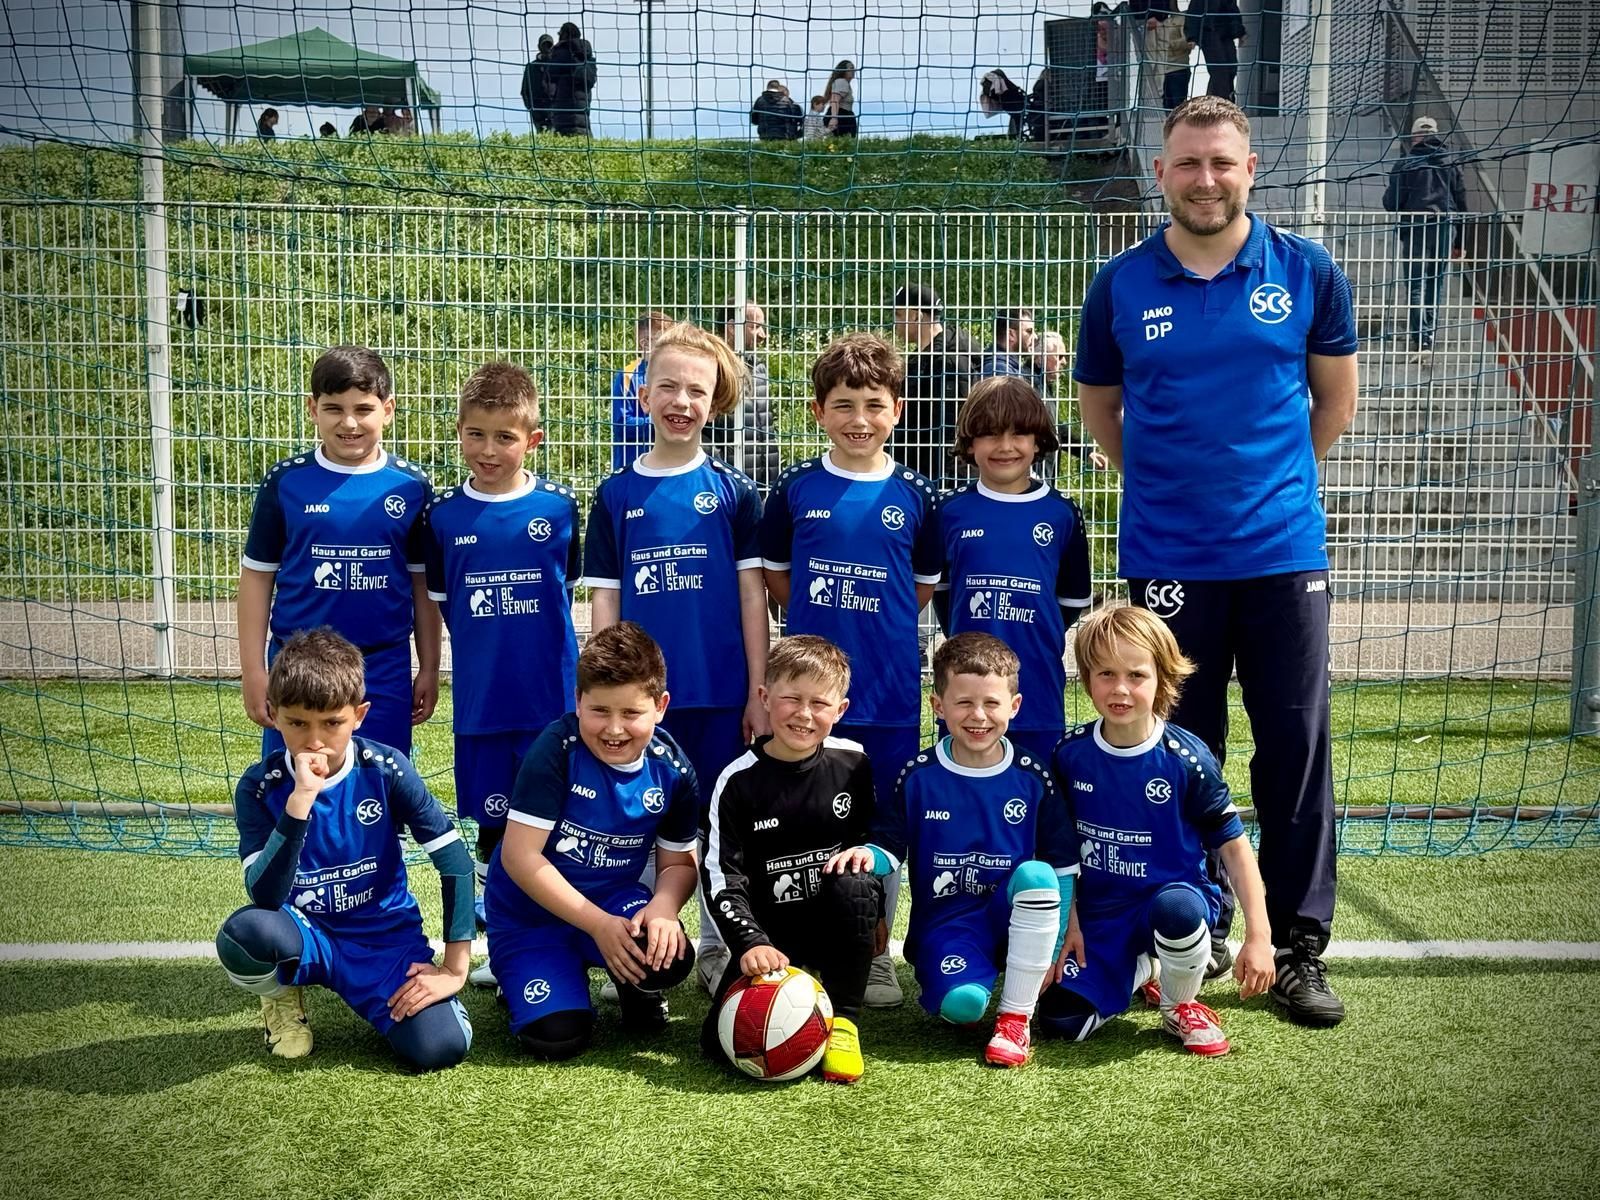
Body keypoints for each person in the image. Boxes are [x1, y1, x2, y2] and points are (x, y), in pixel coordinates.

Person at [1074, 96, 1359, 1026]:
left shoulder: (1307, 270)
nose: (1206, 180)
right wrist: (1169, 487)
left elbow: (1334, 403)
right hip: (1169, 555)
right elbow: (1101, 410)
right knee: (1176, 750)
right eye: (1189, 163)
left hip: (1282, 553)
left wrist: (1269, 489)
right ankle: (1191, 933)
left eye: (1222, 163)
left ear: (1250, 169)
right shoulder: (1120, 284)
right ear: (1161, 173)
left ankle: (1299, 945)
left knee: (1295, 749)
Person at [583, 322, 770, 994]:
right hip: (639, 704)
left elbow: (751, 597)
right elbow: (605, 602)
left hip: (719, 694)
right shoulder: (615, 495)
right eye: (667, 386)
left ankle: (722, 948)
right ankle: (634, 950)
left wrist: (757, 689)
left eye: (697, 390)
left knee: (719, 828)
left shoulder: (734, 492)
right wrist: (602, 692)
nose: (681, 401)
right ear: (642, 393)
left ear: (716, 402)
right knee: (634, 820)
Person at [760, 332, 943, 1009]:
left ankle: (875, 950)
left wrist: (876, 623)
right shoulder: (795, 489)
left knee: (879, 826)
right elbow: (779, 580)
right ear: (818, 411)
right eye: (843, 405)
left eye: (873, 404)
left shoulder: (918, 495)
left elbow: (918, 587)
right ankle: (798, 939)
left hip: (888, 694)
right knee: (803, 821)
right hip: (807, 699)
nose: (858, 419)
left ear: (897, 409)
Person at [214, 627, 474, 1071]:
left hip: (382, 939)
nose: (314, 740)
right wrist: (300, 800)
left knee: (440, 1047)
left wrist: (454, 968)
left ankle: (388, 992)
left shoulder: (387, 769)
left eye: (331, 723)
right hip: (306, 932)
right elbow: (264, 895)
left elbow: (455, 862)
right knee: (246, 936)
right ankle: (280, 995)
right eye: (297, 723)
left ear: (359, 715)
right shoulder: (260, 786)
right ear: (274, 714)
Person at [829, 633, 1074, 1067]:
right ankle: (969, 979)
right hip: (948, 926)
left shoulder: (1032, 775)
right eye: (964, 703)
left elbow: (1062, 866)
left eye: (992, 703)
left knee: (1036, 874)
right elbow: (889, 845)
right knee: (964, 1007)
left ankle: (1015, 1019)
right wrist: (868, 855)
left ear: (1014, 706)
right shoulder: (918, 775)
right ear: (938, 706)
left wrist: (1053, 951)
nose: (978, 716)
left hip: (1015, 915)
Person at [1042, 605, 1276, 1055]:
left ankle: (1179, 1003)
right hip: (1100, 914)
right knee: (1061, 1020)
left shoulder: (1187, 759)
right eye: (1106, 674)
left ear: (1162, 678)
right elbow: (1059, 850)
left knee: (1176, 911)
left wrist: (1259, 937)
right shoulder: (1069, 755)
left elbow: (1234, 847)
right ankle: (1143, 968)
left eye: (1136, 675)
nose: (1120, 689)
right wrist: (1067, 926)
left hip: (1172, 900)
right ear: (1087, 678)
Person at [420, 362, 580, 989]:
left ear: (532, 440)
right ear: (459, 432)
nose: (489, 450)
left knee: (557, 823)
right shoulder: (442, 517)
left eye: (505, 437)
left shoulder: (559, 509)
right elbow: (440, 604)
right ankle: (501, 936)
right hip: (482, 707)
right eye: (476, 435)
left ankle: (562, 933)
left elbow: (566, 588)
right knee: (493, 829)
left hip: (551, 704)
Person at [484, 622, 700, 1059]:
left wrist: (663, 907)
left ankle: (634, 984)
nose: (614, 729)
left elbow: (679, 863)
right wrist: (597, 925)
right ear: (578, 700)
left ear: (660, 707)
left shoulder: (674, 770)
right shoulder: (556, 750)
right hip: (532, 916)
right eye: (600, 710)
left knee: (670, 955)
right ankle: (527, 972)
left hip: (613, 903)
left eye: (631, 713)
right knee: (556, 1036)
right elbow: (520, 857)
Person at [238, 345, 439, 762]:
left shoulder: (411, 486)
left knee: (381, 781)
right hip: (297, 667)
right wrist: (254, 670)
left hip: (382, 666)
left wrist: (430, 667)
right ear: (313, 409)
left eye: (363, 409)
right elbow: (257, 576)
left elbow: (423, 585)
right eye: (334, 409)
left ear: (388, 410)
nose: (349, 423)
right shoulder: (286, 482)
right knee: (297, 784)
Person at [699, 635, 883, 1083]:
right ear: (765, 697)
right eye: (791, 699)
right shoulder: (737, 781)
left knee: (857, 879)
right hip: (770, 937)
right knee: (718, 1045)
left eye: (819, 703)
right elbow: (722, 879)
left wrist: (873, 915)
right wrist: (750, 944)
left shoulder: (854, 763)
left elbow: (869, 842)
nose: (804, 714)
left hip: (832, 925)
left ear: (840, 710)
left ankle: (845, 1023)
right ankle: (775, 975)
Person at [936, 377, 1092, 761]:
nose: (1005, 446)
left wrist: (1031, 628)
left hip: (1037, 690)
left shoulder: (1062, 513)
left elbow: (1072, 601)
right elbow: (941, 594)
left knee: (1036, 788)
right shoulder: (948, 512)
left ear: (1038, 441)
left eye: (1019, 433)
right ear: (970, 443)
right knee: (964, 785)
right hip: (967, 696)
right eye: (990, 434)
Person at [1382, 115, 1468, 360]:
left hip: (1416, 225)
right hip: (1445, 225)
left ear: (1415, 136)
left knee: (1416, 283)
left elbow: (1391, 202)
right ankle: (1428, 337)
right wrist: (1461, 242)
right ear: (1436, 135)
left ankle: (1420, 339)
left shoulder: (1406, 163)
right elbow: (1462, 202)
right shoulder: (1451, 161)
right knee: (1436, 282)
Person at [892, 283, 981, 488]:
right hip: (924, 473)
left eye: (898, 315)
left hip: (942, 479)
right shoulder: (926, 358)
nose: (895, 322)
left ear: (916, 316)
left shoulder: (950, 362)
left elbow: (950, 430)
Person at [705, 301, 780, 487]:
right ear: (732, 327)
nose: (763, 335)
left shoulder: (759, 367)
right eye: (755, 327)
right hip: (726, 481)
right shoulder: (712, 368)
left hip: (765, 480)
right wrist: (717, 464)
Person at [1036, 330, 1109, 472]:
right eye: (1059, 356)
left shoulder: (1043, 385)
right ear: (1040, 357)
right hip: (1034, 470)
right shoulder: (1030, 384)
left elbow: (1055, 427)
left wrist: (1086, 452)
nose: (1064, 362)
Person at [611, 310, 673, 470]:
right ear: (645, 344)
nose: (672, 347)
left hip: (668, 466)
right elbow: (622, 425)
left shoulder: (675, 374)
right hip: (632, 465)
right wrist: (661, 421)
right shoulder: (628, 376)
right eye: (664, 341)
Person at [1185, 0, 1246, 104]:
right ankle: (1221, 103)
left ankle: (1218, 101)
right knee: (1219, 71)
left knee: (1231, 69)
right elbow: (1195, 10)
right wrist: (1192, 36)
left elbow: (1232, 8)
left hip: (1226, 33)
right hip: (1209, 32)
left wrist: (1240, 31)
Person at [549, 22, 597, 136]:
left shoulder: (562, 51)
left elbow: (551, 73)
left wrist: (554, 51)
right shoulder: (587, 56)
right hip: (583, 110)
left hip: (563, 108)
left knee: (564, 138)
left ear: (564, 34)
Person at [1144, 6, 1194, 112]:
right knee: (1165, 107)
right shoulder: (1152, 23)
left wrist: (1168, 43)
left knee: (1178, 108)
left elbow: (1189, 42)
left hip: (1177, 69)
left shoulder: (1182, 18)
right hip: (1159, 73)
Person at [977, 307, 1036, 378]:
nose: (1035, 337)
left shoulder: (1005, 366)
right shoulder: (1000, 369)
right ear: (1011, 334)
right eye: (1029, 331)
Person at [978, 70, 1028, 139]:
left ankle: (1017, 134)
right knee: (1017, 117)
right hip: (1012, 103)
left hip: (1013, 103)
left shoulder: (1000, 86)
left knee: (1017, 117)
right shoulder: (1000, 85)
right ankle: (1017, 134)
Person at [521, 34, 556, 133]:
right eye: (544, 45)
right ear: (539, 47)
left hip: (554, 111)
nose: (546, 48)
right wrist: (531, 108)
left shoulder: (557, 66)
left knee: (555, 137)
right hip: (537, 111)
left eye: (549, 45)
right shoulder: (531, 67)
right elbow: (524, 91)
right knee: (541, 137)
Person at [823, 60, 858, 137]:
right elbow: (835, 100)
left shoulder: (845, 83)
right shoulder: (841, 81)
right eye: (850, 68)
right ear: (843, 71)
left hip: (844, 117)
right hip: (840, 117)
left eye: (853, 68)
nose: (853, 70)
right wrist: (834, 118)